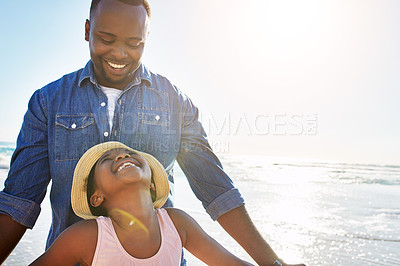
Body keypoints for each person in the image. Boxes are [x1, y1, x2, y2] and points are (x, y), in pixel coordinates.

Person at [0, 0, 304, 265]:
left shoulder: (174, 101)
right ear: (86, 30)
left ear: (147, 38)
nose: (120, 53)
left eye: (134, 43)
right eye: (106, 38)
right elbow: (19, 202)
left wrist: (273, 263)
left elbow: (216, 190)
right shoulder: (48, 101)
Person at [30, 141, 252, 265]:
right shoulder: (86, 236)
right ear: (97, 197)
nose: (120, 156)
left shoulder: (177, 223)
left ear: (153, 185)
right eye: (107, 160)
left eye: (129, 153)